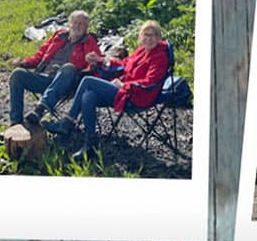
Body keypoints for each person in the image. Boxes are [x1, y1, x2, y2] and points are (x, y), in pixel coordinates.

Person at [50, 21, 172, 162]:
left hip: (137, 95)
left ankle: (68, 122)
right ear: (141, 36)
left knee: (88, 81)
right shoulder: (141, 51)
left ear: (159, 38)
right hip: (125, 91)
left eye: (153, 35)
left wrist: (124, 85)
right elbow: (123, 64)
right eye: (146, 35)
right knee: (89, 96)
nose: (149, 39)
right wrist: (101, 60)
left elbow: (151, 82)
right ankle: (90, 144)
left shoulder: (160, 56)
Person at [8, 10, 103, 126]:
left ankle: (40, 109)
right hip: (46, 78)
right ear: (69, 24)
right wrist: (23, 63)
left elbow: (96, 63)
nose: (77, 26)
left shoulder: (89, 41)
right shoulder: (59, 35)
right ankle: (15, 122)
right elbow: (39, 56)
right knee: (17, 74)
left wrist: (92, 64)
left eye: (81, 24)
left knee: (68, 67)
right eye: (75, 22)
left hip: (68, 84)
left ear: (86, 27)